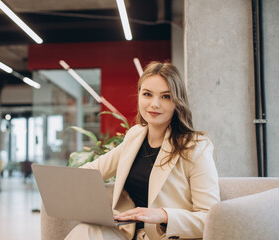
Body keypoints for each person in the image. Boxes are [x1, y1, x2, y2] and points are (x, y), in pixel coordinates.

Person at [65, 61, 220, 240]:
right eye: (147, 94)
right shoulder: (135, 136)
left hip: (167, 237)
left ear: (178, 102)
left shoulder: (195, 146)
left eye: (166, 96)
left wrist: (163, 215)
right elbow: (90, 172)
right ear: (139, 95)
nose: (154, 104)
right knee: (86, 231)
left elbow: (211, 218)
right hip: (129, 234)